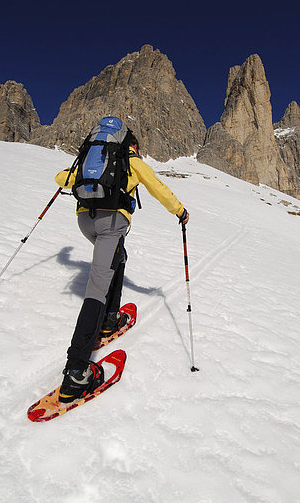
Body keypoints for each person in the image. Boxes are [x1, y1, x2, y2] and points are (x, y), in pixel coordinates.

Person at [54, 129, 189, 403]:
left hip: (86, 221)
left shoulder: (94, 159)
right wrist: (180, 211)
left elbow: (61, 178)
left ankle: (111, 318)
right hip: (111, 223)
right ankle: (76, 372)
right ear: (132, 145)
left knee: (118, 257)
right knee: (97, 285)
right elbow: (158, 188)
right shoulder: (131, 161)